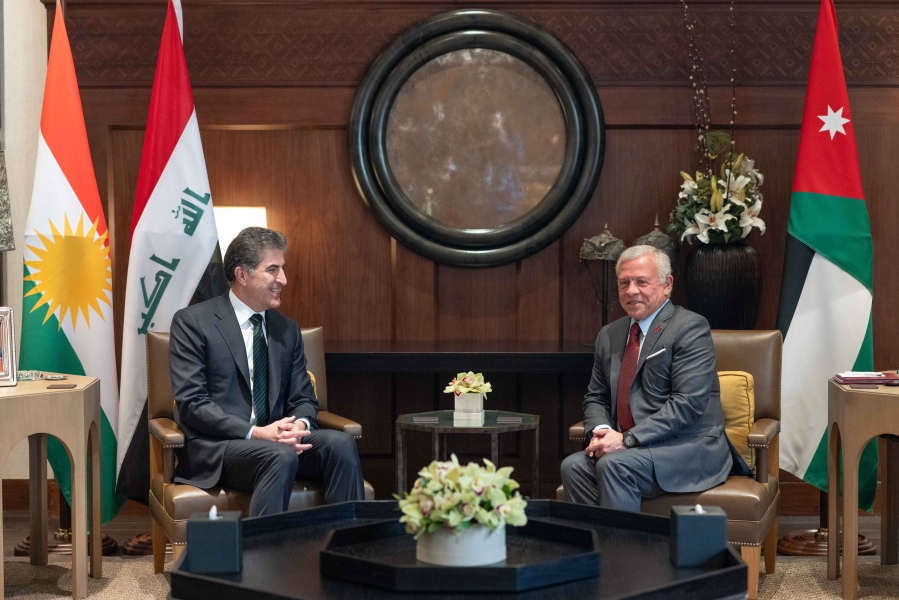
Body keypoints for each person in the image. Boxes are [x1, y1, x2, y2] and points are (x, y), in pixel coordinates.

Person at [169, 227, 364, 516]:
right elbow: (192, 403)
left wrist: (298, 427)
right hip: (221, 448)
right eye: (273, 270)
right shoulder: (193, 323)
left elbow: (303, 398)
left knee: (340, 444)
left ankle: (346, 541)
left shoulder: (286, 329)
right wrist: (256, 433)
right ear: (242, 275)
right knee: (280, 455)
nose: (282, 279)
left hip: (278, 443)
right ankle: (263, 545)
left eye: (283, 269)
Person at [560, 245, 733, 512]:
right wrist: (601, 432)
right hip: (631, 447)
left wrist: (627, 439)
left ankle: (624, 541)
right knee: (572, 466)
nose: (631, 290)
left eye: (641, 282)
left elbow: (687, 404)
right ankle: (598, 540)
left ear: (667, 285)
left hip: (685, 447)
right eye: (624, 283)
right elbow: (596, 397)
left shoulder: (689, 327)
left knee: (614, 465)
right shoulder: (609, 335)